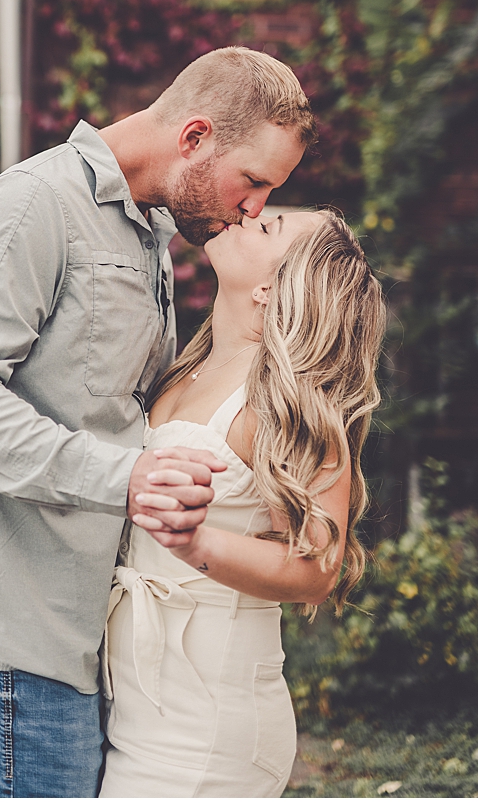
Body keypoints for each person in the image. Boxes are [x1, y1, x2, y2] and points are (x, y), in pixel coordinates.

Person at [0, 46, 315, 798]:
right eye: (252, 182)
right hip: (11, 645)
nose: (255, 208)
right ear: (194, 138)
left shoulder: (146, 234)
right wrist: (126, 477)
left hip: (76, 644)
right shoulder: (31, 206)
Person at [100, 209, 382, 797]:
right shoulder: (180, 368)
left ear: (272, 287)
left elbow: (316, 571)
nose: (248, 213)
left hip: (209, 727)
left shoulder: (288, 400)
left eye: (270, 225)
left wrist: (197, 543)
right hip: (133, 703)